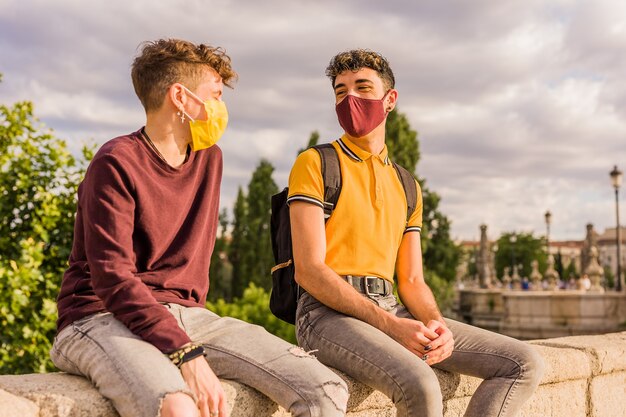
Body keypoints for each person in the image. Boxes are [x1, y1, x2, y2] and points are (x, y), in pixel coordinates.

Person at [50, 39, 348, 417]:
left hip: (186, 315)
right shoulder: (115, 162)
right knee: (177, 407)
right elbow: (112, 278)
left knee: (325, 387)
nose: (221, 108)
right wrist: (184, 352)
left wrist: (184, 339)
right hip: (96, 315)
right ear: (181, 97)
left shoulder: (210, 159)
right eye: (215, 94)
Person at [287, 49, 545, 417]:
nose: (351, 99)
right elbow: (309, 270)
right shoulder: (316, 162)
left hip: (392, 305)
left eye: (362, 87)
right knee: (420, 382)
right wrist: (393, 326)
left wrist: (436, 325)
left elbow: (411, 279)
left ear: (389, 100)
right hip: (326, 315)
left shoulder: (407, 185)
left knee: (522, 362)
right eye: (341, 92)